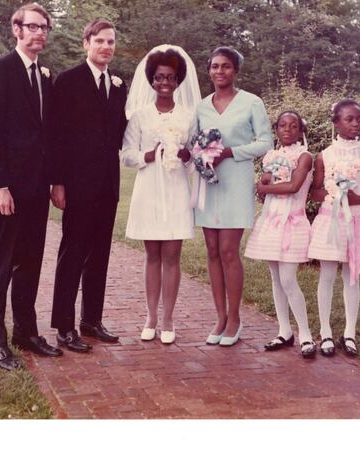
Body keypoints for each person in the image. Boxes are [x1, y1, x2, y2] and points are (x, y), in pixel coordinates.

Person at [0, 3, 62, 370]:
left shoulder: (45, 75)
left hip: (37, 190)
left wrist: (55, 181)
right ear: (16, 30)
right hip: (9, 191)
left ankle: (25, 332)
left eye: (44, 28)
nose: (39, 33)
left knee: (29, 264)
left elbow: (49, 136)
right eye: (32, 27)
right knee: (1, 266)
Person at [48, 19, 127, 352]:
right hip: (77, 185)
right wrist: (58, 182)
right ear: (86, 43)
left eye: (110, 42)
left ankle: (91, 320)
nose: (106, 47)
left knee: (100, 255)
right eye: (100, 41)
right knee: (73, 254)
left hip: (108, 185)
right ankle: (64, 327)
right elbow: (55, 136)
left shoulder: (119, 85)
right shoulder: (67, 81)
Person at [121, 46, 201, 344]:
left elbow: (197, 156)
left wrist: (186, 154)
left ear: (178, 80)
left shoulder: (188, 115)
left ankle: (168, 318)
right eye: (158, 77)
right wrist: (148, 156)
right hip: (149, 190)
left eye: (170, 77)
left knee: (172, 256)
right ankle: (151, 316)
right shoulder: (140, 115)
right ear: (151, 80)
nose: (164, 82)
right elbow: (127, 154)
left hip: (177, 189)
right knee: (152, 256)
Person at [194, 46, 273, 346]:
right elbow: (194, 141)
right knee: (212, 252)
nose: (219, 72)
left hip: (236, 179)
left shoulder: (251, 102)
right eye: (214, 66)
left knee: (228, 251)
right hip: (209, 182)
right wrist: (201, 154)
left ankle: (236, 318)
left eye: (226, 66)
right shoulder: (202, 106)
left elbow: (265, 142)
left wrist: (231, 152)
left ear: (236, 70)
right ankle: (220, 316)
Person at [307, 99, 360, 357]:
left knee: (352, 277)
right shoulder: (325, 156)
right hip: (332, 221)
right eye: (349, 119)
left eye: (359, 119)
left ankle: (349, 332)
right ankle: (326, 332)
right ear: (336, 122)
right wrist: (333, 195)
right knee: (327, 275)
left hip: (358, 222)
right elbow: (315, 191)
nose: (355, 124)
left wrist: (356, 200)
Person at [244, 111, 316, 357]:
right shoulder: (271, 155)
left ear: (301, 130)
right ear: (276, 129)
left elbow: (294, 186)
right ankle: (284, 331)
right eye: (283, 125)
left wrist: (267, 187)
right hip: (272, 221)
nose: (287, 129)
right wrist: (266, 186)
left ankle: (306, 334)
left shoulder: (305, 157)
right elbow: (263, 188)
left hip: (293, 222)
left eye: (293, 126)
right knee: (275, 278)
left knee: (288, 279)